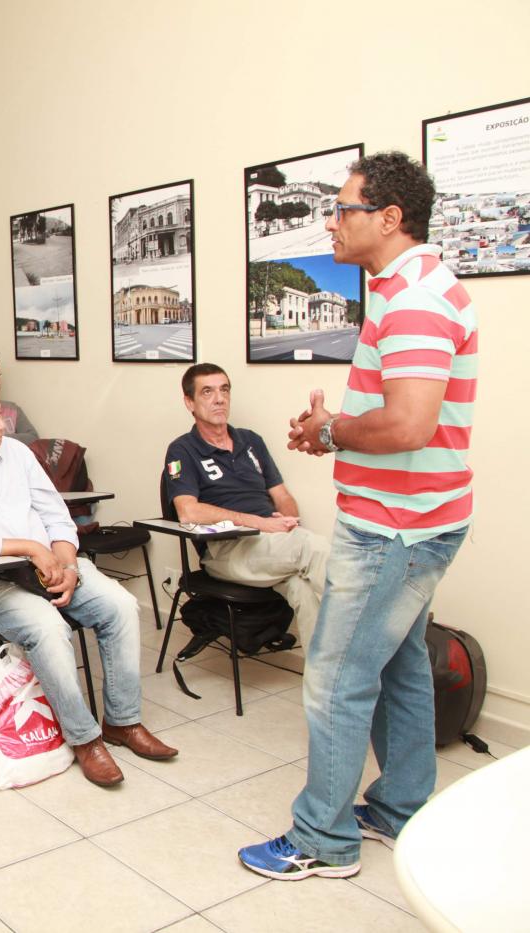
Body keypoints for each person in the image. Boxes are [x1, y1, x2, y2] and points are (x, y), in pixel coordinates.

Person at [238, 152, 478, 881]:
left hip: (395, 529)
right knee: (401, 670)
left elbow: (407, 425)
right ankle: (401, 806)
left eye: (342, 209)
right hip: (419, 517)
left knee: (337, 678)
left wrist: (334, 429)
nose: (331, 223)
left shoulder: (413, 299)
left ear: (389, 217)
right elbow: (404, 417)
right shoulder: (416, 285)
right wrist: (334, 428)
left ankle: (323, 838)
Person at [0, 381, 177, 785]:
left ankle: (122, 722)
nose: (2, 425)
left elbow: (56, 515)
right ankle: (85, 739)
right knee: (49, 628)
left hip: (53, 564)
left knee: (121, 607)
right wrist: (30, 548)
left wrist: (68, 566)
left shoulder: (17, 454)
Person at [164, 363, 328, 648]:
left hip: (271, 545)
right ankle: (380, 634)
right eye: (207, 392)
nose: (219, 399)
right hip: (227, 550)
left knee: (303, 589)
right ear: (189, 402)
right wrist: (261, 523)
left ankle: (327, 685)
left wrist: (287, 523)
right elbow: (188, 511)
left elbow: (283, 496)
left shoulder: (251, 441)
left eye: (224, 390)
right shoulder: (183, 449)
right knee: (310, 548)